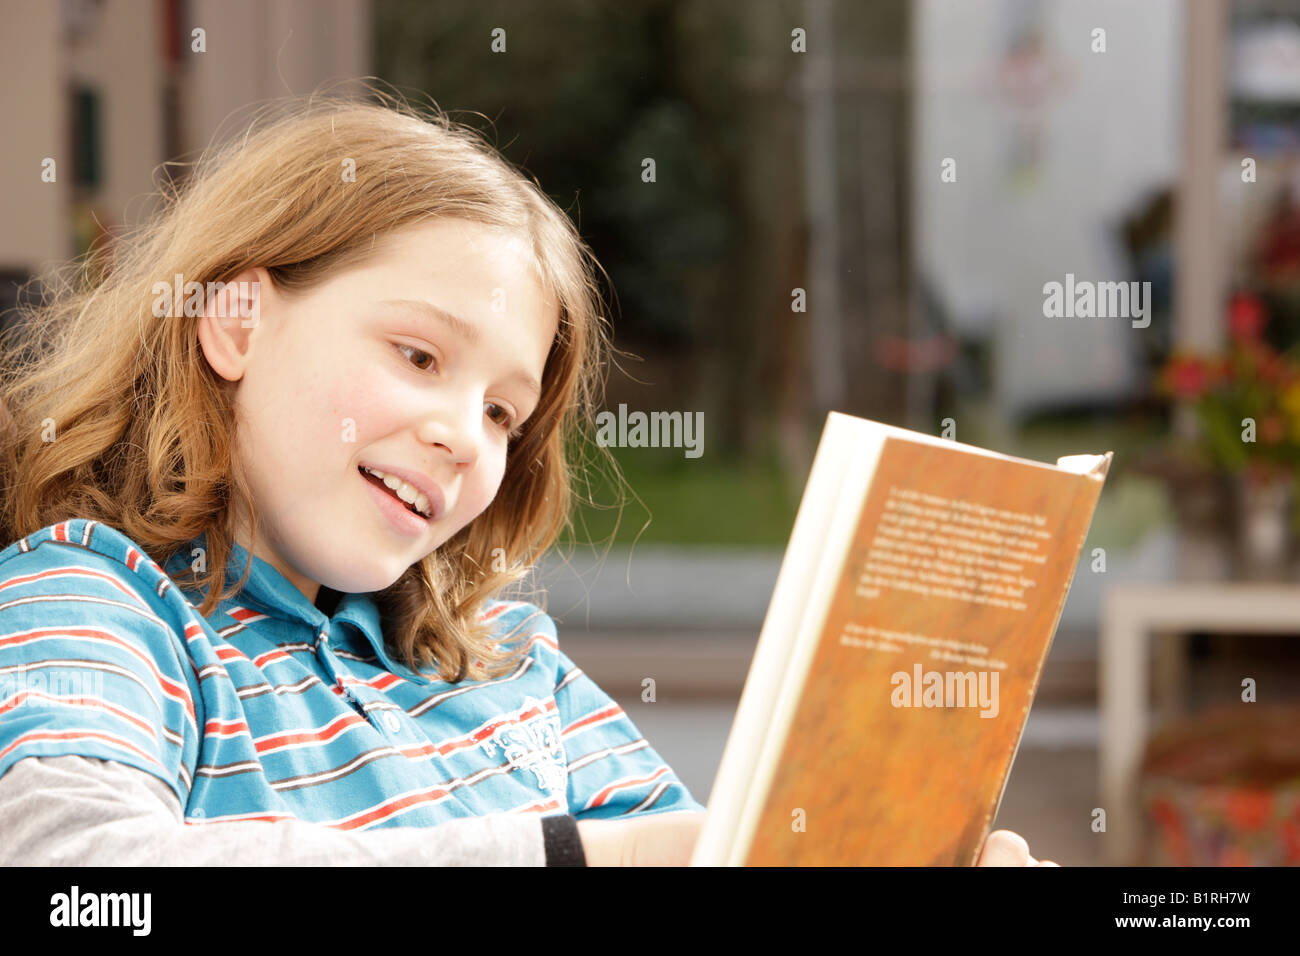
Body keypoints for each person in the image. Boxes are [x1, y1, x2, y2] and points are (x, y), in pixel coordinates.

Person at [0, 91, 1052, 867]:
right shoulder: (97, 603)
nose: (465, 434)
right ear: (235, 319)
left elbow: (701, 848)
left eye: (503, 410)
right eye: (418, 355)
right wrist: (583, 857)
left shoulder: (508, 665)